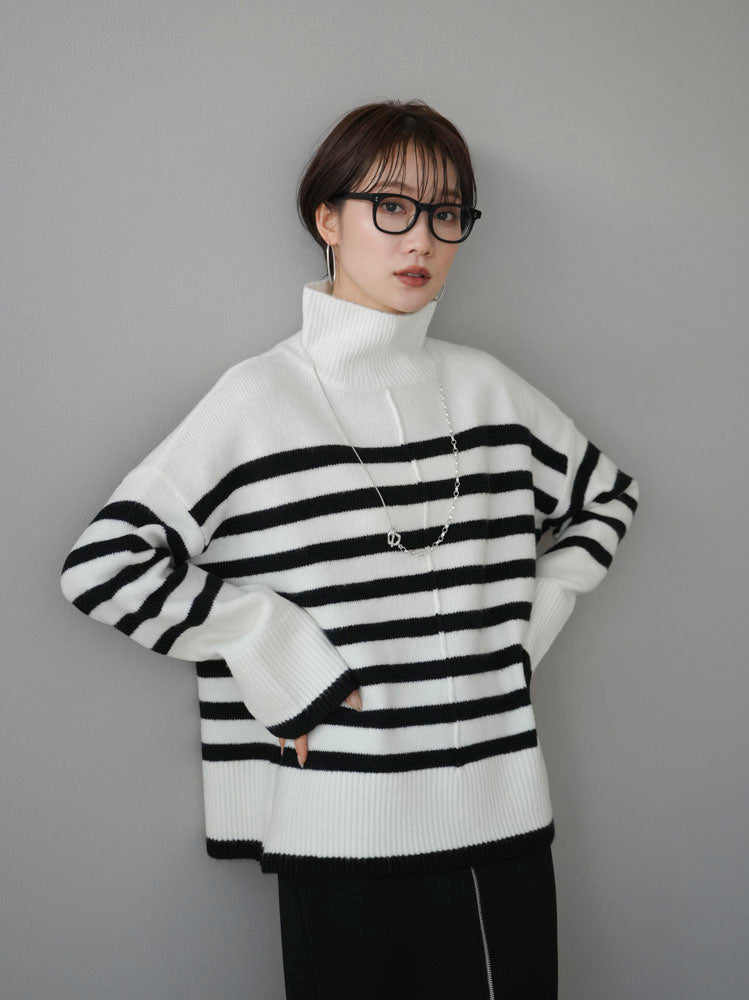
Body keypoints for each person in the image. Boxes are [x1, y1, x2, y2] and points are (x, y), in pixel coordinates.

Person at [59, 99, 640, 999]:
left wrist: (528, 622)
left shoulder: (487, 392)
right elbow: (106, 567)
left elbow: (606, 497)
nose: (422, 239)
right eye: (391, 207)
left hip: (494, 815)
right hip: (335, 826)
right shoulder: (258, 401)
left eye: (446, 213)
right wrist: (271, 649)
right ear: (327, 219)